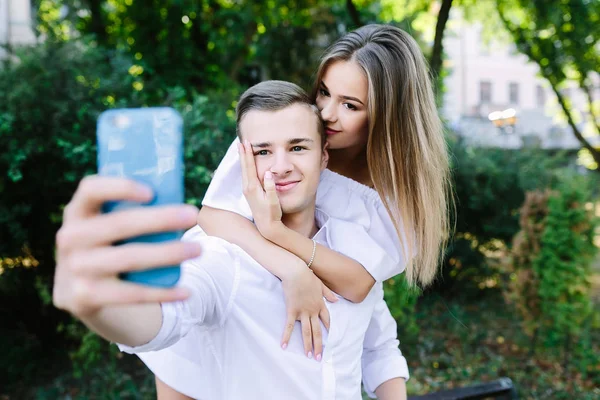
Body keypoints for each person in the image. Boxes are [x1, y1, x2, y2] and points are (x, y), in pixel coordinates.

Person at [53, 81, 409, 399]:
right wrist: (101, 305)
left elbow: (379, 348)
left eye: (298, 148)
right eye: (263, 151)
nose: (281, 166)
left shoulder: (351, 247)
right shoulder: (223, 256)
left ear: (324, 157)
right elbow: (165, 321)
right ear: (242, 162)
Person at [195, 23, 451, 358]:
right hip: (224, 314)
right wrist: (291, 267)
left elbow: (358, 284)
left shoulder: (397, 198)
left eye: (350, 105)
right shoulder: (283, 133)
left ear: (387, 116)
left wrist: (276, 232)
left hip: (307, 347)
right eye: (325, 92)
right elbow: (213, 214)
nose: (327, 113)